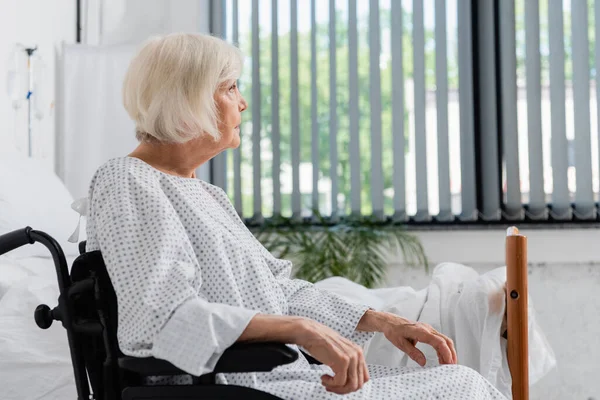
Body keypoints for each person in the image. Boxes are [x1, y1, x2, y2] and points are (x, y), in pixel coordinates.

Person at [85, 32, 506, 399]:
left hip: (276, 379)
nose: (243, 102)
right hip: (229, 385)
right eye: (231, 88)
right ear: (189, 98)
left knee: (459, 380)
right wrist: (297, 330)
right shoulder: (127, 180)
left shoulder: (206, 195)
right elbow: (163, 317)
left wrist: (379, 320)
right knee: (460, 389)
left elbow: (279, 291)